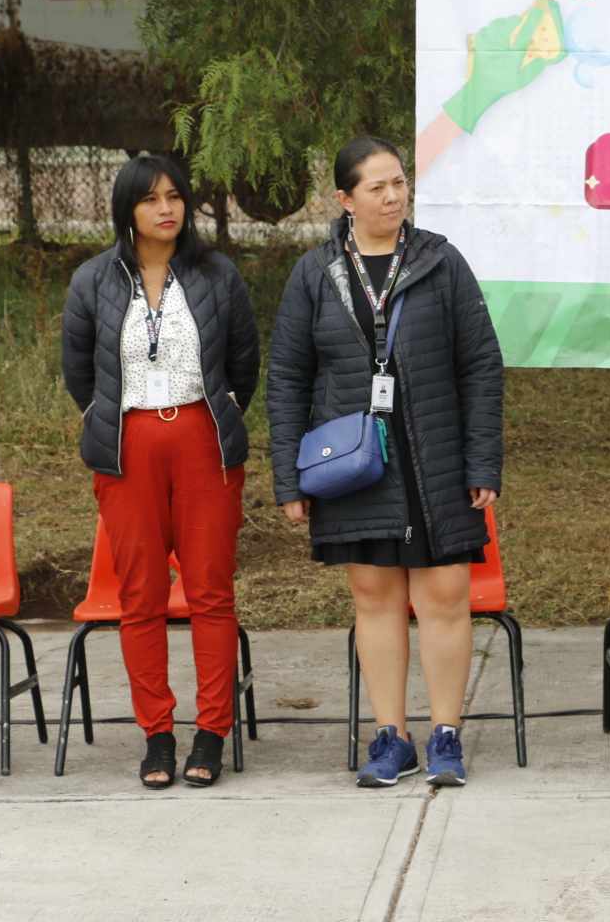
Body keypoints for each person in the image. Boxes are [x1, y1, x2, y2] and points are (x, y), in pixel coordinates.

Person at [268, 136, 503, 788]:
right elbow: (286, 376)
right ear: (344, 199)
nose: (394, 195)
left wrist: (483, 460)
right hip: (354, 463)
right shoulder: (316, 274)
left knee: (445, 594)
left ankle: (447, 734)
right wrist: (289, 477)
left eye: (399, 182)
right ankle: (391, 737)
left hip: (435, 455)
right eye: (377, 187)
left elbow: (481, 363)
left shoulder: (439, 261)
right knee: (373, 595)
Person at [61, 154, 260, 789]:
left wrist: (222, 411)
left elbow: (244, 360)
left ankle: (211, 731)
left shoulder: (217, 274)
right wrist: (104, 415)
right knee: (140, 595)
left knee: (209, 591)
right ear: (128, 209)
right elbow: (77, 371)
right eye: (150, 199)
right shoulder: (93, 279)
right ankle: (157, 736)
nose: (166, 209)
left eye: (175, 196)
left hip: (203, 439)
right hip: (127, 445)